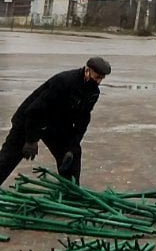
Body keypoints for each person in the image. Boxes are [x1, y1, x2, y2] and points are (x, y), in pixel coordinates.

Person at [0, 57, 112, 187]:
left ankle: (71, 193)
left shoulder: (93, 93)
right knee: (7, 160)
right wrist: (31, 140)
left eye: (101, 79)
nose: (98, 81)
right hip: (30, 120)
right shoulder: (64, 81)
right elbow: (35, 110)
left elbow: (83, 119)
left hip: (55, 124)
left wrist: (72, 146)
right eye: (97, 77)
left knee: (72, 155)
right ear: (87, 71)